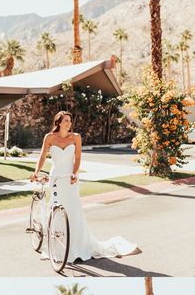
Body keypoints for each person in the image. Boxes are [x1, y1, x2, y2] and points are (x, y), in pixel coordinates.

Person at [30, 110, 140, 263]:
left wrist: (74, 173)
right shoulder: (49, 137)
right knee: (55, 210)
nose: (69, 123)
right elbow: (42, 156)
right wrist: (36, 172)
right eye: (66, 120)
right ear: (58, 122)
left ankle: (78, 245)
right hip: (56, 178)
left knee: (73, 210)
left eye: (70, 120)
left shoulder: (76, 138)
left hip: (70, 179)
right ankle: (58, 246)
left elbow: (78, 157)